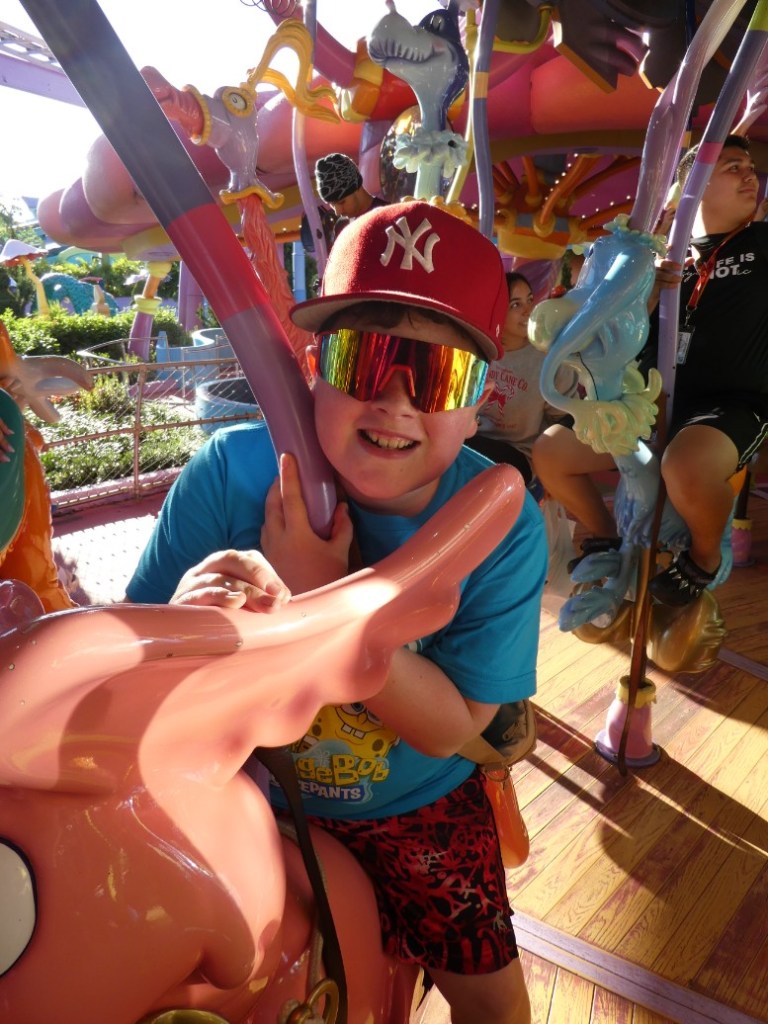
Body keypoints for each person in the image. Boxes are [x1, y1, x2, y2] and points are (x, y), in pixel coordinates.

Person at [126, 200, 547, 1024]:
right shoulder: (230, 474)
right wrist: (188, 618)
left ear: (479, 402)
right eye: (366, 359)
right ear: (316, 364)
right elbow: (140, 658)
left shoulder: (502, 526)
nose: (395, 401)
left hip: (413, 802)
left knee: (494, 1004)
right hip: (237, 787)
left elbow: (451, 725)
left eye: (435, 377)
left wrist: (323, 604)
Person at [533, 133, 768, 605]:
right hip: (649, 402)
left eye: (749, 167)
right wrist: (647, 288)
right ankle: (605, 537)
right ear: (695, 186)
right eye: (732, 167)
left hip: (729, 406)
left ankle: (704, 558)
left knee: (686, 465)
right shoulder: (662, 260)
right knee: (551, 453)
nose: (749, 176)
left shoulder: (762, 243)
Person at [466, 271, 579, 486]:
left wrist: (553, 473)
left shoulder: (549, 360)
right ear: (497, 310)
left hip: (519, 454)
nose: (529, 311)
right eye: (516, 305)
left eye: (530, 300)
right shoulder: (479, 350)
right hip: (473, 440)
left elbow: (565, 421)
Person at [314, 152, 387, 240]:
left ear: (357, 187)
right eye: (332, 205)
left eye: (342, 202)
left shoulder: (388, 214)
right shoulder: (341, 227)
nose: (338, 212)